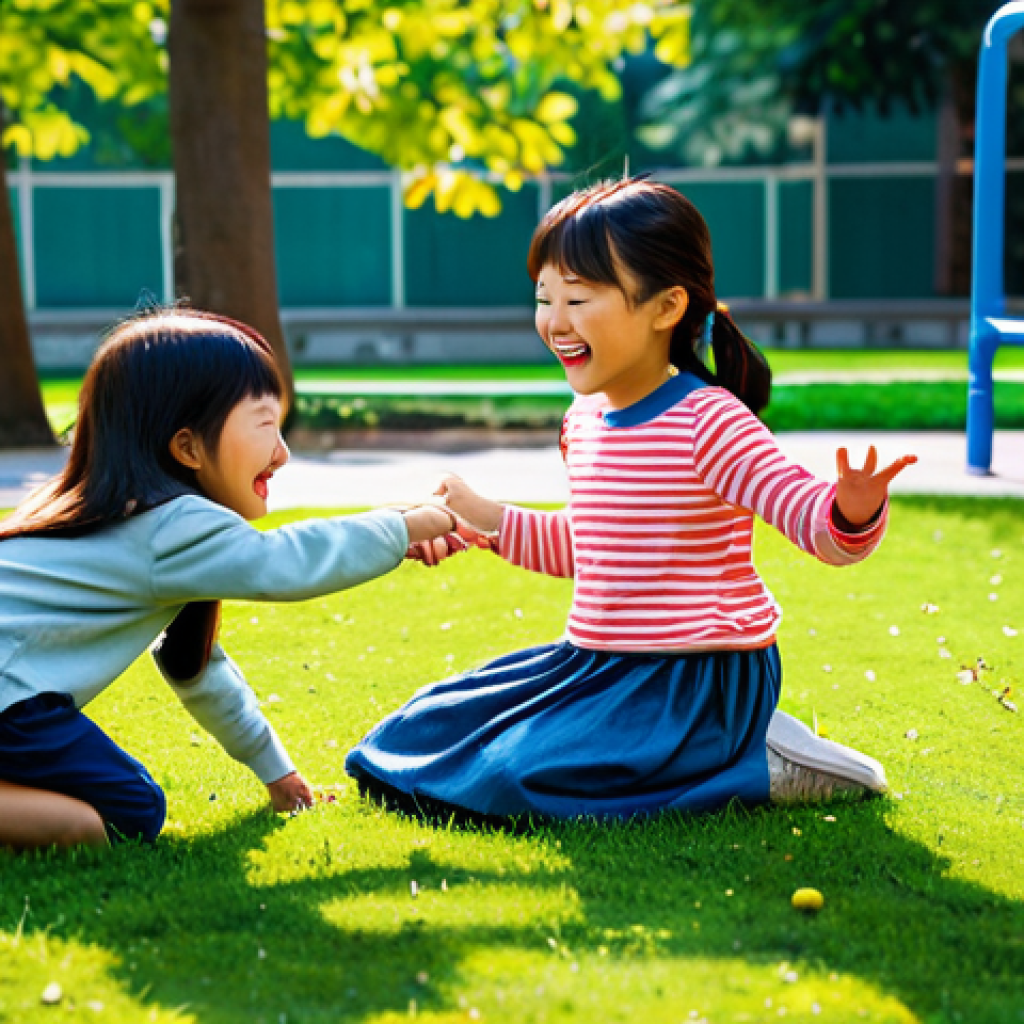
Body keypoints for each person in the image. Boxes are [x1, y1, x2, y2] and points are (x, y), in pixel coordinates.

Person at [347, 179, 916, 820]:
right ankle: (718, 754)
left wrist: (852, 508)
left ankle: (757, 759)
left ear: (666, 306)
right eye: (544, 298)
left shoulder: (709, 422)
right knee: (423, 728)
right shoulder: (584, 420)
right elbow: (584, 547)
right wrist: (481, 515)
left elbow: (810, 520)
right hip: (598, 665)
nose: (555, 322)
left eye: (577, 298)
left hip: (697, 680)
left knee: (514, 779)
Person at [0, 310, 458, 850]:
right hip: (11, 701)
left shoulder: (127, 519)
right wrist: (403, 528)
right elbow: (283, 561)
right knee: (127, 812)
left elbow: (196, 666)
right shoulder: (172, 525)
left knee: (116, 809)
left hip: (16, 700)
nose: (282, 453)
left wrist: (278, 775)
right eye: (265, 426)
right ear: (188, 448)